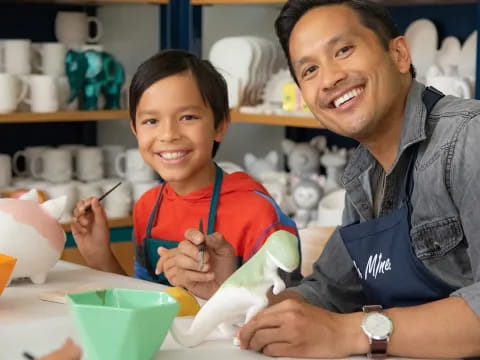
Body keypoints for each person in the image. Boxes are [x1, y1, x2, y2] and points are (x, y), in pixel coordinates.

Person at [212, 0, 480, 358]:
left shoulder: (468, 139)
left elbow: (338, 324)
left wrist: (352, 333)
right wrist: (241, 294)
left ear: (399, 54)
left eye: (343, 50)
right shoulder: (363, 174)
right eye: (309, 71)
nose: (330, 78)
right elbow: (329, 291)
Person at [71, 50, 301, 300]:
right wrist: (100, 256)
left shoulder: (257, 213)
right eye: (151, 121)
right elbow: (143, 301)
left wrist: (223, 282)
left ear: (220, 125)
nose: (168, 134)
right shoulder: (147, 207)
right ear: (135, 129)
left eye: (187, 117)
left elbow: (291, 311)